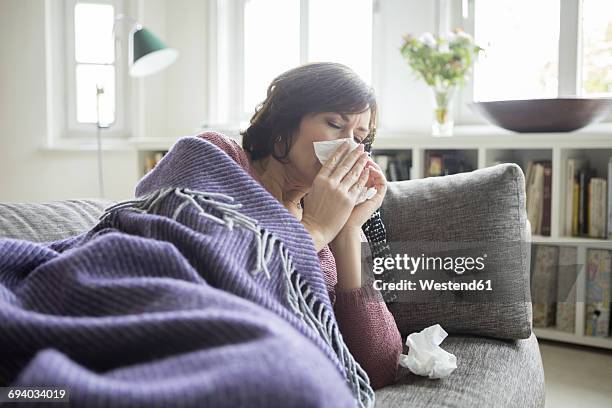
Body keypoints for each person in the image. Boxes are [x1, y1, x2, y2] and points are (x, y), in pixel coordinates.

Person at [197, 62, 402, 389]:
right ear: (284, 124)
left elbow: (380, 366)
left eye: (360, 138)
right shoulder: (218, 156)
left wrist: (346, 232)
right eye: (335, 124)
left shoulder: (330, 216)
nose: (349, 147)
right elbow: (218, 286)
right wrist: (316, 228)